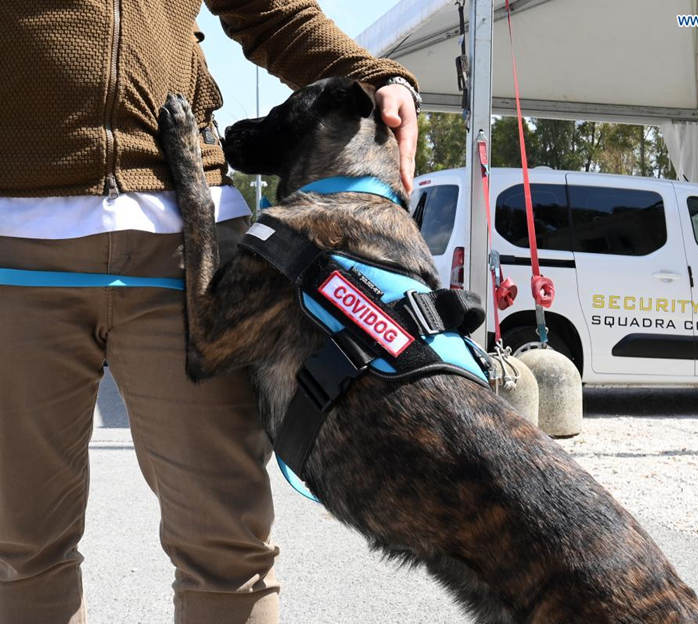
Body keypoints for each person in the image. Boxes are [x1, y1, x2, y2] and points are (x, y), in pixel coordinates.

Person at [0, 2, 420, 623]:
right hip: (17, 243)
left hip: (193, 250)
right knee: (21, 548)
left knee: (228, 548)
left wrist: (379, 76)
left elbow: (272, 13)